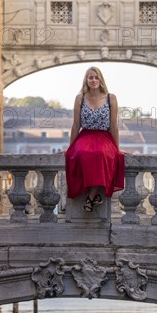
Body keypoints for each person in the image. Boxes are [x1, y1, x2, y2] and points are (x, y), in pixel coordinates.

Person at [65, 67, 124, 212]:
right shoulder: (80, 98)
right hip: (85, 136)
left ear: (101, 79)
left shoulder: (111, 98)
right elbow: (76, 125)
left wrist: (117, 148)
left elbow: (114, 126)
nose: (94, 80)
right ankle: (94, 196)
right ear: (86, 80)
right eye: (90, 77)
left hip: (105, 137)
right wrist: (70, 147)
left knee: (101, 154)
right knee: (81, 154)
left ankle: (91, 197)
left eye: (96, 77)